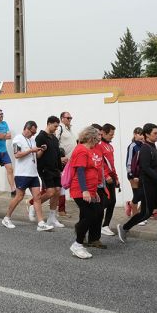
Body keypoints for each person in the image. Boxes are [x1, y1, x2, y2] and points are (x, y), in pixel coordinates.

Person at [117, 123, 157, 248]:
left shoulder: (153, 146)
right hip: (147, 185)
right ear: (147, 135)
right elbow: (145, 167)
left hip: (155, 184)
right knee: (145, 213)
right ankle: (124, 228)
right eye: (155, 133)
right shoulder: (145, 148)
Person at [1, 121, 55, 232]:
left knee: (37, 197)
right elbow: (17, 155)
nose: (33, 134)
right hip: (22, 174)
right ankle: (6, 218)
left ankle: (41, 223)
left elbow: (36, 155)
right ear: (27, 128)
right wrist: (31, 150)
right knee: (19, 197)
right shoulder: (17, 139)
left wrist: (41, 150)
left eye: (34, 133)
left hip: (33, 173)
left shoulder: (32, 140)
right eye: (32, 132)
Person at [69, 126, 106, 259]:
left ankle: (79, 239)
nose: (97, 142)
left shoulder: (86, 150)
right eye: (96, 139)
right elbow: (80, 171)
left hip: (89, 190)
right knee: (90, 216)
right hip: (80, 190)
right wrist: (85, 190)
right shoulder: (81, 150)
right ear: (91, 138)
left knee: (93, 215)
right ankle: (77, 244)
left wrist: (93, 191)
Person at [35, 116, 64, 228]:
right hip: (44, 169)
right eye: (55, 126)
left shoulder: (54, 138)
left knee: (57, 191)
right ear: (49, 123)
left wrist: (60, 169)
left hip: (55, 169)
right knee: (50, 192)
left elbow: (57, 155)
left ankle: (52, 218)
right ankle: (33, 205)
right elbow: (36, 154)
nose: (56, 129)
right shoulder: (40, 137)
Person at [93, 124, 119, 236]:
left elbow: (111, 164)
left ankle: (105, 225)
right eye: (110, 134)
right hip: (104, 178)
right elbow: (101, 164)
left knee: (112, 201)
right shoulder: (99, 146)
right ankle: (93, 219)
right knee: (106, 202)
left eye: (113, 134)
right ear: (103, 133)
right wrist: (107, 175)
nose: (112, 136)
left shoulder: (110, 146)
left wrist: (116, 177)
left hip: (111, 177)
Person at [55, 111, 76, 216]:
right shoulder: (60, 128)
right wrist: (60, 157)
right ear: (62, 118)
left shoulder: (69, 129)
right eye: (68, 118)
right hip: (63, 161)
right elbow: (55, 143)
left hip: (70, 161)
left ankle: (61, 209)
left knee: (62, 185)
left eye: (70, 118)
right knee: (60, 186)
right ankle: (61, 210)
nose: (69, 119)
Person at [124, 127, 143, 217]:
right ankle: (135, 216)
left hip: (141, 175)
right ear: (135, 134)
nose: (142, 136)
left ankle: (139, 213)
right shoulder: (132, 146)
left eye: (143, 134)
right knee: (137, 195)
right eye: (140, 134)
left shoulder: (143, 145)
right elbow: (129, 162)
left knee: (143, 195)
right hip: (133, 175)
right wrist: (131, 175)